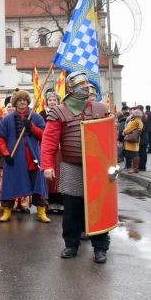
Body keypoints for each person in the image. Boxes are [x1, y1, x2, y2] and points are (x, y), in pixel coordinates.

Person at [41, 71, 111, 263]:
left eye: (87, 84)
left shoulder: (99, 108)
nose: (86, 87)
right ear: (71, 89)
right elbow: (49, 141)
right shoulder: (59, 111)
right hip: (71, 165)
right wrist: (47, 165)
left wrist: (112, 164)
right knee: (71, 208)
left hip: (96, 167)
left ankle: (100, 247)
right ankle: (71, 244)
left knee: (98, 207)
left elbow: (108, 137)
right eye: (81, 85)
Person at [0, 89, 48, 223]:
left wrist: (32, 128)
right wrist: (6, 154)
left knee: (37, 185)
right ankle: (7, 211)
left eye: (24, 100)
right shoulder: (7, 119)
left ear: (28, 102)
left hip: (32, 158)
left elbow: (44, 135)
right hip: (14, 158)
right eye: (19, 100)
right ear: (15, 103)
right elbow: (0, 139)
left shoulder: (35, 117)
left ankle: (41, 212)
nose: (22, 102)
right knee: (10, 184)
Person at [42, 90, 64, 213]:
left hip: (61, 150)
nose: (51, 102)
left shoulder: (63, 114)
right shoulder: (41, 114)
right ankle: (48, 205)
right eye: (49, 100)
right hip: (48, 149)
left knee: (60, 177)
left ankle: (61, 205)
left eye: (54, 100)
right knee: (49, 177)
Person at [122, 106, 144, 174]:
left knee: (134, 154)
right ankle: (134, 167)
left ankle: (134, 168)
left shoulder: (135, 121)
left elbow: (128, 129)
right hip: (134, 139)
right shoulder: (139, 120)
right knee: (134, 153)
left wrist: (124, 132)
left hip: (131, 139)